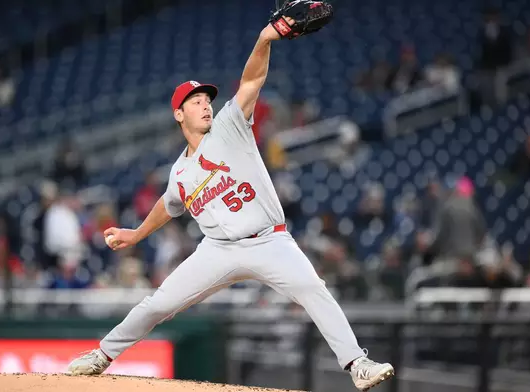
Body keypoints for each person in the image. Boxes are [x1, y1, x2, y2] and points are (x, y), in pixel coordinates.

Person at [66, 17, 394, 391]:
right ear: (179, 114)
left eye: (207, 100)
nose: (206, 106)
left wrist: (265, 37)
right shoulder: (179, 172)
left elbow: (252, 80)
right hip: (218, 250)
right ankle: (101, 356)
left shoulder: (228, 126)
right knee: (157, 304)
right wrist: (136, 234)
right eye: (196, 102)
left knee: (312, 289)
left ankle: (357, 364)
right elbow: (168, 203)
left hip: (269, 242)